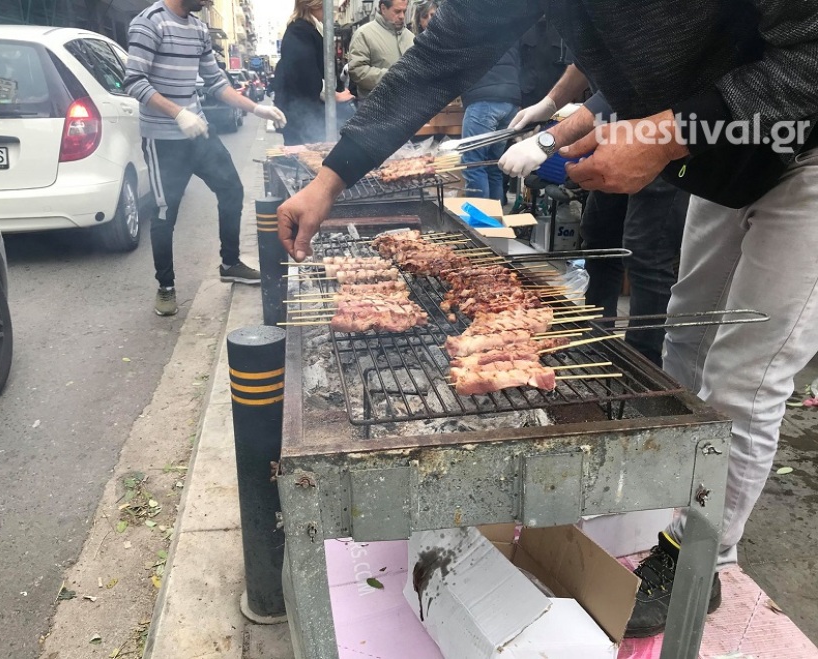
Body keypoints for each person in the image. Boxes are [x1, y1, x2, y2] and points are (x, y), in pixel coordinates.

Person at [276, 0, 818, 639]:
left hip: (802, 144)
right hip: (723, 162)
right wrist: (332, 180)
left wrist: (663, 136)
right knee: (687, 341)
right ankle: (677, 516)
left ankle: (702, 561)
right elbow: (438, 58)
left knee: (744, 380)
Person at [508, 65, 689, 366]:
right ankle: (595, 339)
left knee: (646, 252)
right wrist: (550, 103)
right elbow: (582, 63)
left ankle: (641, 363)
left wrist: (549, 140)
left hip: (666, 135)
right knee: (599, 237)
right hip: (616, 133)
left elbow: (626, 81)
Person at [124, 0, 287, 316]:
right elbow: (134, 81)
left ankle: (230, 263)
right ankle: (166, 287)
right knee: (165, 212)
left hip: (198, 130)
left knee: (232, 189)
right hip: (163, 138)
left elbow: (216, 83)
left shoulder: (199, 29)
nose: (208, 1)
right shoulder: (149, 23)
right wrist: (178, 112)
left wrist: (256, 108)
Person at [274, 0, 355, 146]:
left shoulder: (309, 28)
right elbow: (305, 74)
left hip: (307, 114)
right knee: (309, 154)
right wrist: (333, 95)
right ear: (316, 5)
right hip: (303, 117)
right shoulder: (300, 30)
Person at [459, 42, 522, 202]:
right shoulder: (506, 30)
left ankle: (479, 217)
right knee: (493, 166)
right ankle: (494, 216)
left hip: (484, 99)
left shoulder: (467, 30)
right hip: (510, 100)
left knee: (473, 163)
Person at [347, 0, 414, 99]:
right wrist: (392, 77)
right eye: (397, 11)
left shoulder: (411, 37)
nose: (402, 16)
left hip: (407, 104)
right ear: (383, 9)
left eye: (404, 11)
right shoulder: (363, 34)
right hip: (374, 104)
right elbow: (357, 71)